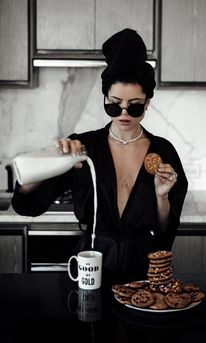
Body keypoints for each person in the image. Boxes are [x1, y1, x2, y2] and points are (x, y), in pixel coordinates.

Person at [12, 28, 188, 281]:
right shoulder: (82, 147)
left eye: (135, 106)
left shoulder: (164, 151)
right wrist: (51, 159)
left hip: (145, 270)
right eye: (114, 104)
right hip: (91, 267)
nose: (124, 113)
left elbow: (165, 230)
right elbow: (26, 206)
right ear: (104, 97)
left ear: (148, 102)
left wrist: (162, 197)